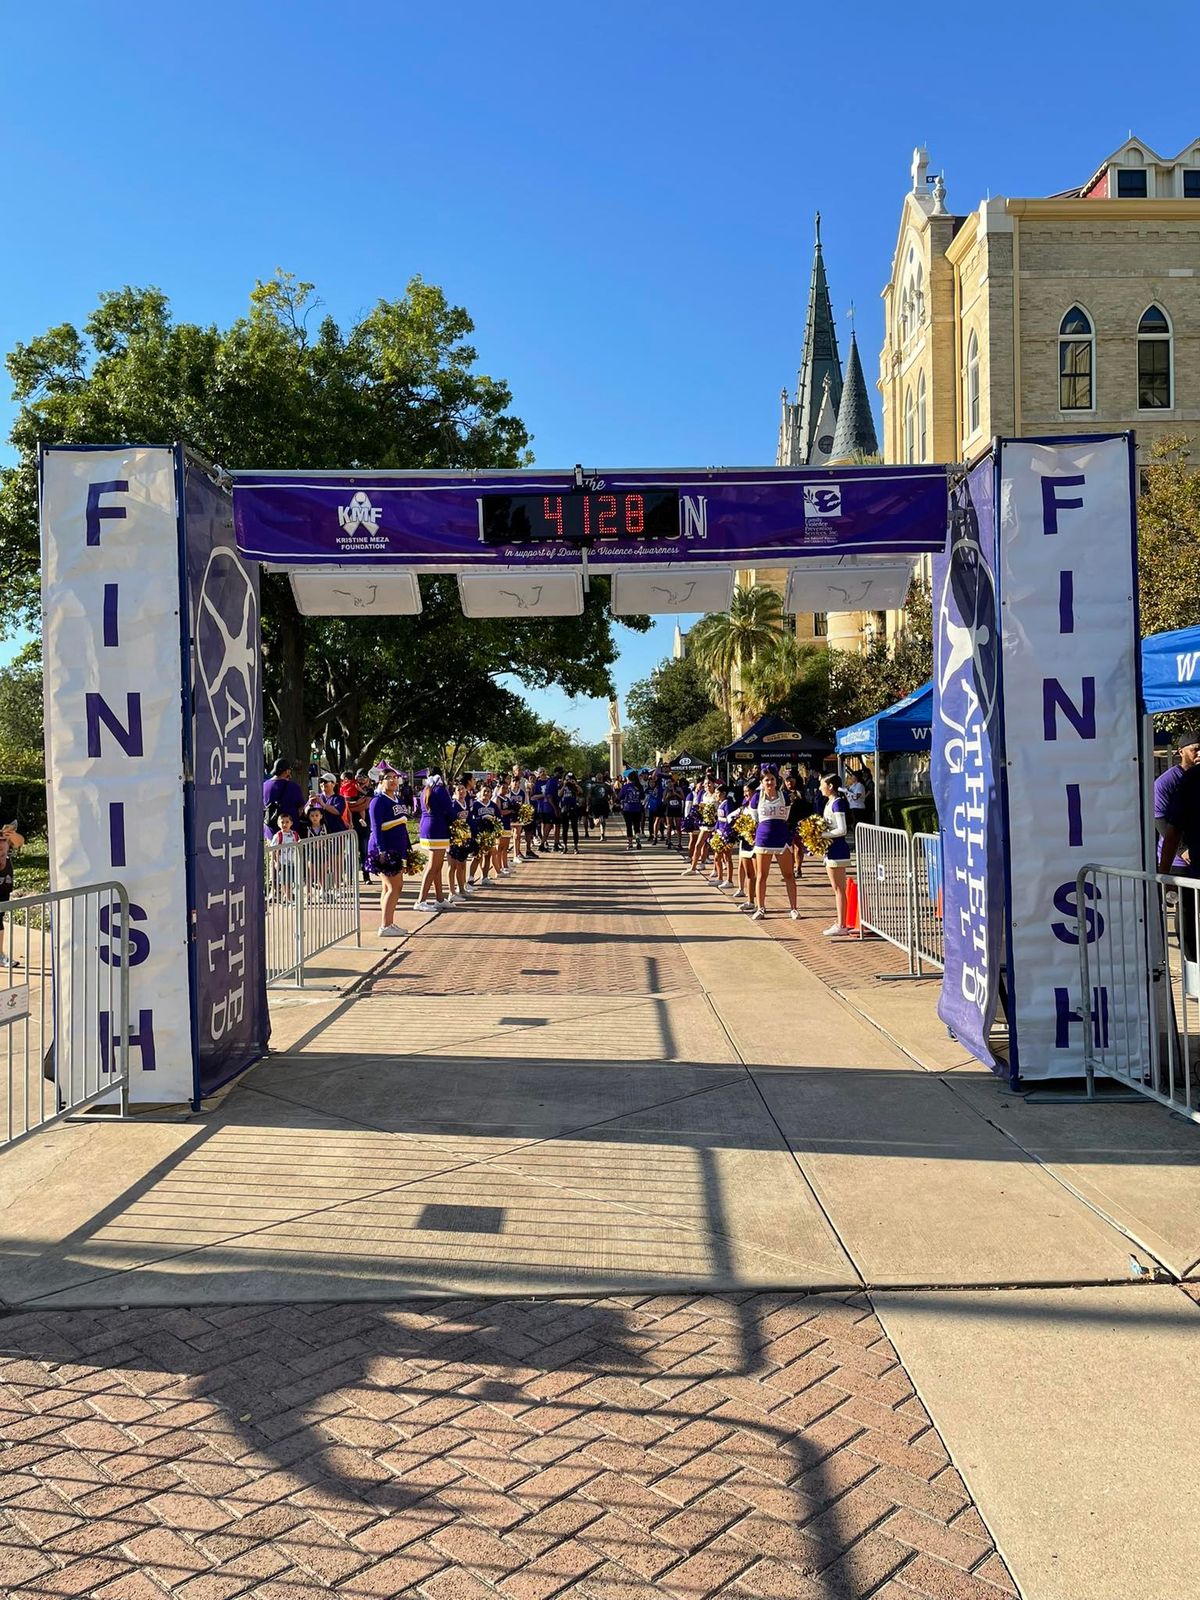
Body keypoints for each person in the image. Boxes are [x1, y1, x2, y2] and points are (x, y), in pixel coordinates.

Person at [748, 766, 800, 921]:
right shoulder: (756, 797)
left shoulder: (784, 796)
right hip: (763, 839)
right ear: (761, 782)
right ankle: (761, 908)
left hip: (782, 838)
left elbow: (786, 816)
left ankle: (794, 909)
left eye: (772, 779)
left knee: (789, 874)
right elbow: (754, 818)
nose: (769, 782)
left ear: (777, 781)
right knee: (762, 875)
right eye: (766, 780)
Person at [367, 768, 412, 935]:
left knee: (388, 887)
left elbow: (402, 825)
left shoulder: (397, 799)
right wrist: (381, 850)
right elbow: (376, 828)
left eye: (395, 778)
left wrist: (408, 847)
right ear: (380, 781)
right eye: (388, 778)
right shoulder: (377, 801)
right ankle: (385, 926)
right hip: (385, 849)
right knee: (395, 886)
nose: (393, 780)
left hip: (398, 847)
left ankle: (388, 922)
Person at [1155, 731, 1200, 874]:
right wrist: (1182, 850)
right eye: (1195, 749)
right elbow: (1160, 819)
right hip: (1178, 862)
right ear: (1181, 751)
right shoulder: (1166, 782)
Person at [820, 774, 853, 934]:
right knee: (836, 888)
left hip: (838, 849)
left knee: (839, 888)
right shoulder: (830, 802)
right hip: (831, 849)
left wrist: (821, 835)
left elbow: (842, 829)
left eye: (822, 785)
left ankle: (842, 925)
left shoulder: (837, 803)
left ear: (830, 786)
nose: (820, 788)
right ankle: (841, 921)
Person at [416, 773, 454, 911]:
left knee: (437, 865)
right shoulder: (440, 789)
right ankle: (421, 900)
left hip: (426, 827)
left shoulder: (426, 789)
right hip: (438, 828)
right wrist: (456, 822)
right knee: (433, 866)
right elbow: (449, 809)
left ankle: (439, 898)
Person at [0, 820, 25, 969]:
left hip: (4, 885)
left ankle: (0, 955)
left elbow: (20, 842)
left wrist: (12, 834)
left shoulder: (5, 832)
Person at [263, 758, 306, 840]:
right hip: (289, 833)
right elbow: (300, 809)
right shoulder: (293, 787)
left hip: (270, 830)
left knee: (273, 852)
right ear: (287, 771)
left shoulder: (264, 785)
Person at [269, 812, 301, 904]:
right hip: (282, 862)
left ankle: (288, 896)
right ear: (278, 824)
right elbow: (273, 850)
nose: (284, 824)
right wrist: (275, 862)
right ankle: (288, 898)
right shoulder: (278, 836)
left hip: (293, 861)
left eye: (287, 822)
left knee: (291, 880)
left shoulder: (294, 834)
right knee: (284, 880)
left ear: (291, 823)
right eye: (282, 822)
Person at [618, 770, 644, 849]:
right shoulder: (640, 786)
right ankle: (638, 839)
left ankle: (630, 843)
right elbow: (642, 797)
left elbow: (620, 796)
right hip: (637, 808)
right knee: (637, 825)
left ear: (629, 778)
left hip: (627, 808)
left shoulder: (625, 787)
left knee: (628, 826)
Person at [559, 773, 582, 853]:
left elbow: (581, 792)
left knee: (574, 828)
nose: (569, 781)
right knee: (565, 829)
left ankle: (576, 847)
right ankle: (565, 846)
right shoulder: (563, 786)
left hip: (573, 808)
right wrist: (564, 785)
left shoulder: (574, 786)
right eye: (567, 779)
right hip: (565, 808)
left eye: (570, 779)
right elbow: (559, 794)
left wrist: (575, 784)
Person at [587, 774, 612, 841]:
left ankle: (602, 835)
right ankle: (602, 834)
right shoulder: (606, 786)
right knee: (601, 821)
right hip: (601, 804)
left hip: (597, 804)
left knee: (601, 820)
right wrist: (612, 802)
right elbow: (613, 795)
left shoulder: (593, 786)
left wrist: (588, 804)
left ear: (596, 778)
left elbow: (589, 796)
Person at [663, 775, 685, 851]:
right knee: (669, 826)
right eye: (668, 782)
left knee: (678, 826)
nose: (669, 784)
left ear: (674, 782)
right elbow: (664, 801)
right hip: (669, 809)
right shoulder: (666, 790)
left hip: (677, 809)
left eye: (670, 782)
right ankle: (669, 841)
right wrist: (667, 796)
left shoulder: (678, 789)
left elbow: (683, 798)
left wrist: (676, 793)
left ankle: (679, 843)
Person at [845, 766, 868, 839]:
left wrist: (850, 794)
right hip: (852, 806)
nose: (851, 777)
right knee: (854, 825)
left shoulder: (860, 786)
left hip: (858, 807)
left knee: (857, 825)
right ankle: (856, 840)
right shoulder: (852, 786)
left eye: (853, 776)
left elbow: (856, 796)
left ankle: (859, 840)